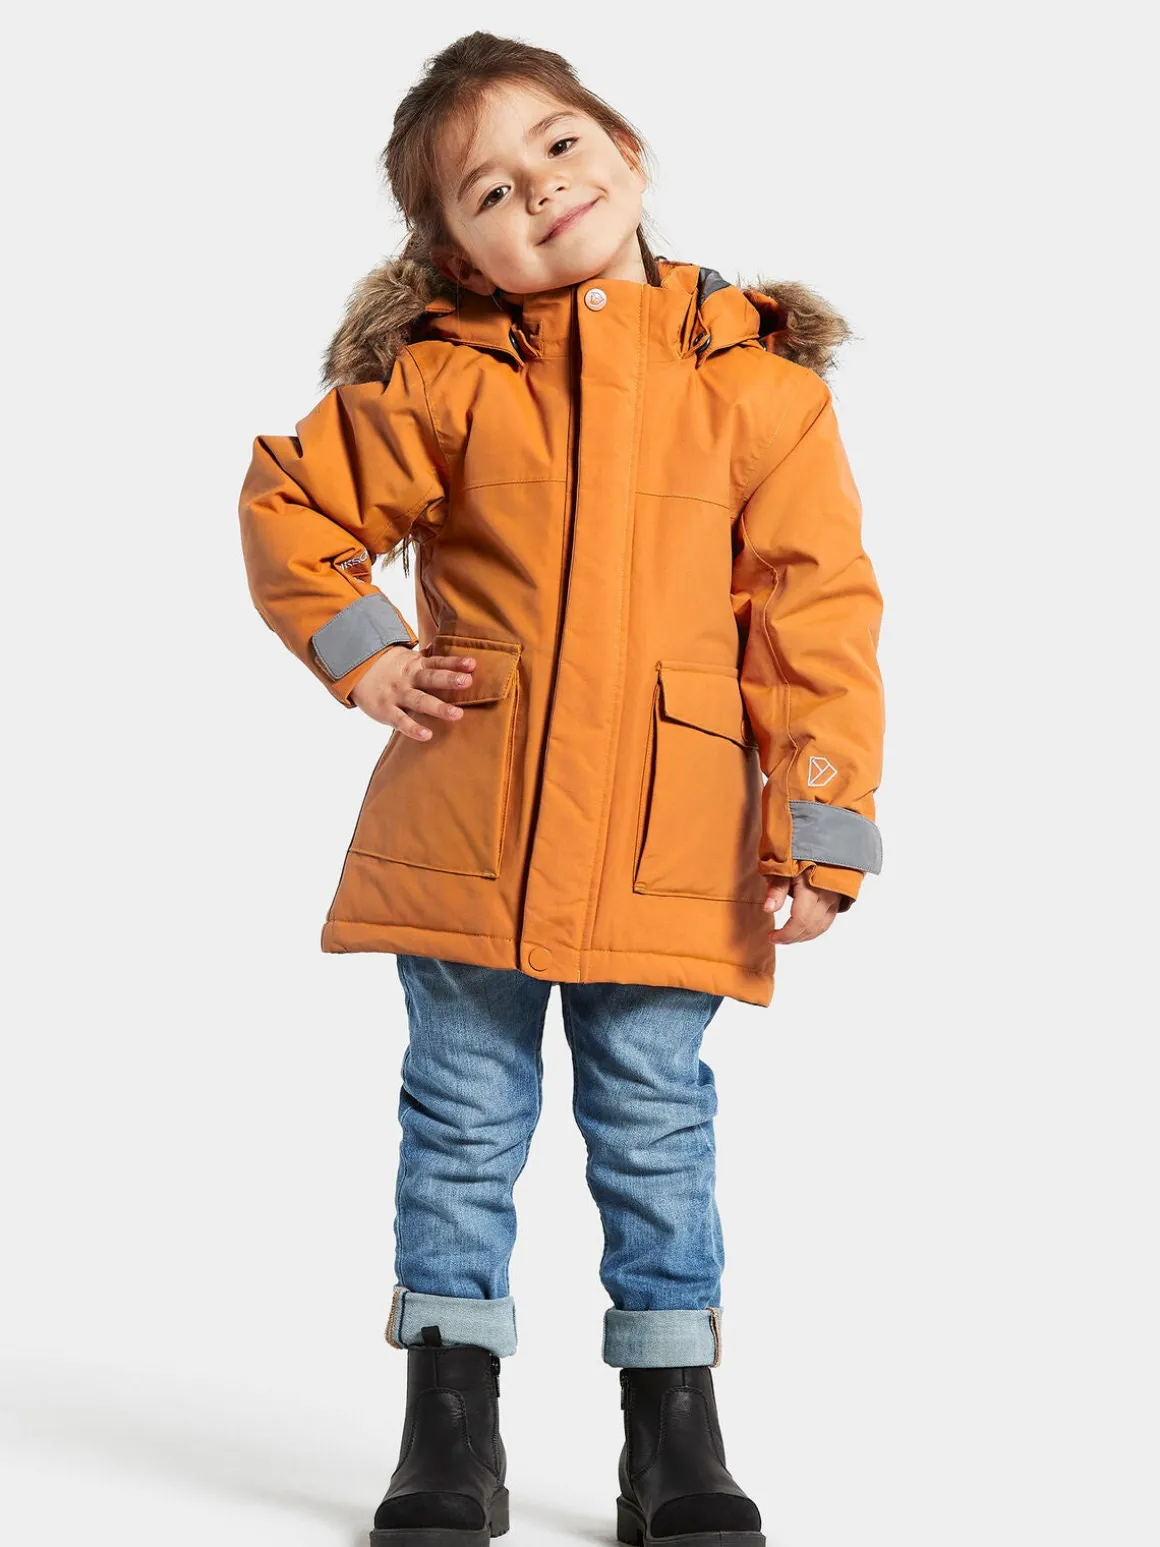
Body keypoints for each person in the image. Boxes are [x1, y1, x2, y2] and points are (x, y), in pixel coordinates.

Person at [237, 29, 885, 1547]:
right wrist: (368, 654)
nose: (535, 189)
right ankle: (448, 1427)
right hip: (472, 826)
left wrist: (820, 828)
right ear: (451, 253)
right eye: (486, 190)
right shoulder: (446, 379)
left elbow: (814, 616)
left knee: (656, 1128)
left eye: (557, 146)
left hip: (673, 841)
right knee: (461, 1124)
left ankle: (674, 1432)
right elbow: (293, 501)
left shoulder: (761, 394)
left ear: (625, 150)